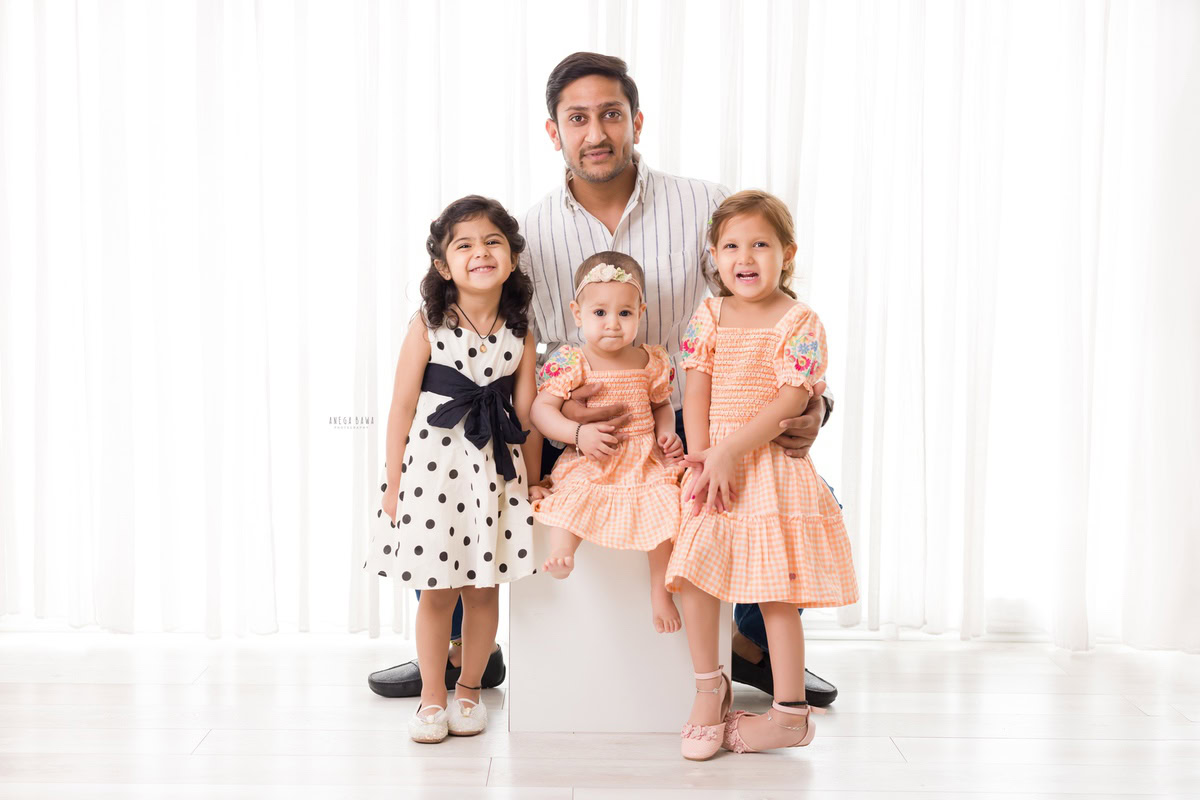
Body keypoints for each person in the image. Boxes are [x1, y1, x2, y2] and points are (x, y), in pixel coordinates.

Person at [368, 51, 839, 707]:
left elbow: (760, 306)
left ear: (636, 122)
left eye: (611, 115)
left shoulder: (702, 204)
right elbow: (504, 347)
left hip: (688, 418)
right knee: (458, 471)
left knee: (806, 495)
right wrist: (554, 420)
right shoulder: (530, 231)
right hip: (573, 420)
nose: (596, 133)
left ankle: (753, 644)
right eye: (577, 118)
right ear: (553, 131)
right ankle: (458, 644)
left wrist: (814, 402)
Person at [669, 190, 858, 760]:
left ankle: (790, 715)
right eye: (730, 246)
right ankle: (710, 688)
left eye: (759, 245)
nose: (744, 257)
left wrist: (730, 451)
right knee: (696, 577)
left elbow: (791, 399)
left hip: (770, 467)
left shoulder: (800, 321)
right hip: (715, 468)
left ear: (787, 253)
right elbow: (695, 391)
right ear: (713, 255)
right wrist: (704, 458)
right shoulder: (709, 315)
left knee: (776, 590)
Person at [364, 195, 542, 743]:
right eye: (464, 245)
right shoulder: (429, 323)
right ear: (444, 266)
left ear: (512, 258)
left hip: (494, 474)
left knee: (484, 589)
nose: (480, 253)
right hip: (432, 473)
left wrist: (534, 484)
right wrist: (394, 482)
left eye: (492, 242)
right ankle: (432, 697)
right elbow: (400, 406)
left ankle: (469, 691)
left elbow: (529, 416)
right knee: (437, 590)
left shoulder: (522, 332)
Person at [528, 251, 684, 633]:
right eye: (599, 313)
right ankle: (563, 552)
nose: (612, 324)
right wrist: (577, 434)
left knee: (665, 507)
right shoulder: (572, 360)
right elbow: (541, 410)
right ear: (577, 313)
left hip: (642, 458)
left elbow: (661, 405)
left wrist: (666, 432)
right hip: (592, 457)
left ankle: (660, 589)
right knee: (573, 495)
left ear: (640, 312)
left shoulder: (651, 360)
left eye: (624, 313)